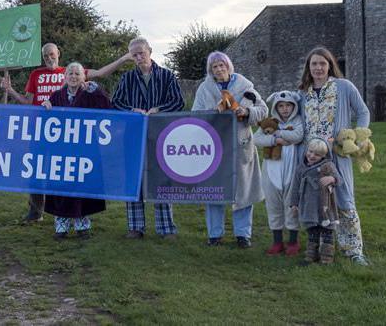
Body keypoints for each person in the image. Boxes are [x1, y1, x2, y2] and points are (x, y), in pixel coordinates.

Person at [2, 42, 132, 223]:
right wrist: (10, 91)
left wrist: (125, 58)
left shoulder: (72, 71)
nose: (49, 58)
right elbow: (28, 102)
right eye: (45, 55)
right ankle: (36, 210)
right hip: (40, 129)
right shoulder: (36, 75)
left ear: (58, 54)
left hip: (70, 135)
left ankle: (75, 213)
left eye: (51, 54)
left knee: (67, 171)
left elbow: (101, 73)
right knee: (38, 169)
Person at [298, 46, 370, 265]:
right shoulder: (303, 93)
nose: (318, 68)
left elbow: (363, 111)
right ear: (308, 68)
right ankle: (320, 245)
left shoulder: (344, 86)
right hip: (312, 157)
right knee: (316, 199)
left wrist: (357, 137)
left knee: (344, 197)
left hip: (337, 154)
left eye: (323, 63)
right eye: (314, 64)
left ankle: (354, 250)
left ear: (330, 65)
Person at [191, 51, 267, 248]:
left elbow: (263, 110)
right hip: (214, 145)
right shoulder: (205, 88)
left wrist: (246, 111)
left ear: (228, 66)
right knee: (213, 189)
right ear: (211, 70)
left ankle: (243, 235)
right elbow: (195, 115)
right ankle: (214, 234)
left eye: (222, 65)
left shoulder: (244, 85)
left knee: (243, 189)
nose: (219, 69)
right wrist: (215, 112)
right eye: (214, 66)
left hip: (241, 144)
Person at [111, 37, 185, 240]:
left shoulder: (167, 76)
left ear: (150, 51)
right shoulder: (127, 78)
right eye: (134, 55)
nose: (138, 57)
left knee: (161, 179)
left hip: (161, 134)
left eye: (141, 53)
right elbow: (115, 102)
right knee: (133, 179)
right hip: (133, 136)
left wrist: (158, 109)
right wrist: (131, 110)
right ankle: (135, 227)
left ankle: (166, 228)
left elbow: (178, 102)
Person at [40, 62, 108, 240]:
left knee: (82, 187)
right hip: (62, 151)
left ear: (83, 77)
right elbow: (46, 119)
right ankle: (61, 226)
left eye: (77, 74)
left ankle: (82, 225)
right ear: (65, 76)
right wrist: (45, 107)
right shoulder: (56, 96)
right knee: (61, 188)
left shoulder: (91, 95)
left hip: (84, 150)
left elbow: (107, 108)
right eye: (70, 73)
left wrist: (96, 90)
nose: (73, 76)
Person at [253, 90, 304, 256]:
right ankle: (277, 241)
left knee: (291, 206)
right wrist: (275, 140)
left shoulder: (297, 121)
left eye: (288, 105)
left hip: (291, 170)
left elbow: (298, 135)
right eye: (281, 106)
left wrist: (278, 132)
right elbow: (257, 139)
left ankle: (293, 241)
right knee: (273, 205)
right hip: (272, 170)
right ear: (275, 107)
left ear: (294, 107)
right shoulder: (270, 121)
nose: (285, 109)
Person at [290, 137, 341, 265]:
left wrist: (332, 179)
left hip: (325, 204)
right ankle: (311, 256)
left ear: (324, 155)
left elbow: (339, 179)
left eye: (317, 154)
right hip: (308, 204)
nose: (312, 156)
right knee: (312, 231)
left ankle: (327, 257)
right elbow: (295, 186)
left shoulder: (327, 166)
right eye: (310, 152)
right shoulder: (301, 167)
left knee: (327, 231)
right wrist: (294, 203)